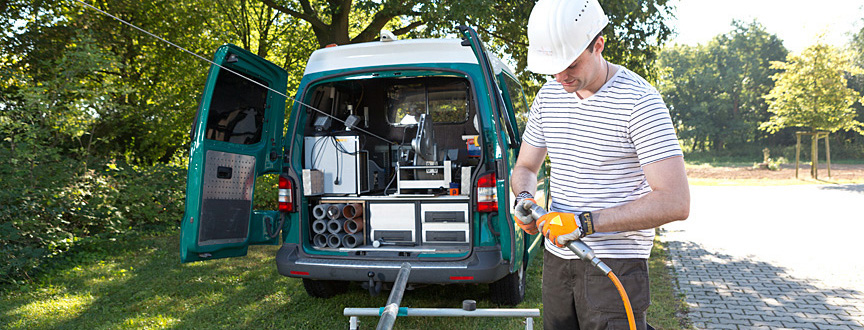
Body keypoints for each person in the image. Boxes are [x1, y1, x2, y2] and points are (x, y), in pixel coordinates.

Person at [510, 0, 690, 329]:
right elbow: (525, 168)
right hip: (558, 261)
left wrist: (584, 223)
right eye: (554, 67)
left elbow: (675, 201)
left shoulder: (639, 101)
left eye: (572, 65)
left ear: (598, 45)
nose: (561, 76)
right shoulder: (548, 97)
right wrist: (524, 198)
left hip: (615, 264)